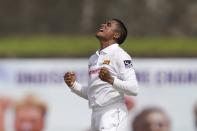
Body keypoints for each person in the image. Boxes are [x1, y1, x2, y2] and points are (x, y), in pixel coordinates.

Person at [64, 19, 139, 131]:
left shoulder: (120, 55)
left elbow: (133, 89)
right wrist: (73, 85)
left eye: (108, 25)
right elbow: (93, 94)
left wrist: (111, 80)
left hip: (112, 112)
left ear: (116, 34)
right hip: (96, 115)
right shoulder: (93, 58)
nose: (103, 25)